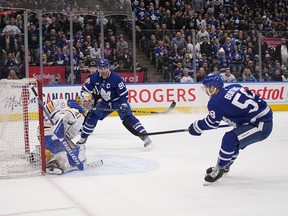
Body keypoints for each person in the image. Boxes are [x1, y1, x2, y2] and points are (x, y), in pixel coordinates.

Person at [188, 73, 273, 184]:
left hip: (261, 125)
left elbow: (212, 123)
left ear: (213, 88)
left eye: (207, 87)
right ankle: (226, 165)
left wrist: (197, 127)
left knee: (230, 139)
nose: (205, 90)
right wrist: (238, 119)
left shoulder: (215, 102)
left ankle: (219, 169)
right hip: (259, 118)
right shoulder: (234, 86)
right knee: (234, 141)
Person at [77, 59, 154, 149]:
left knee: (128, 118)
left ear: (108, 68)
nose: (103, 71)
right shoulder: (94, 77)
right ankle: (83, 138)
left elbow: (124, 94)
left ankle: (145, 137)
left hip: (118, 101)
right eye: (101, 69)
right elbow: (85, 89)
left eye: (105, 68)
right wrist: (85, 98)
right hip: (105, 102)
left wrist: (123, 104)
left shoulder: (116, 78)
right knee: (92, 116)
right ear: (98, 69)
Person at [41, 93, 94, 174]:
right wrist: (59, 128)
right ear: (80, 101)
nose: (88, 106)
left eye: (90, 103)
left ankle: (38, 154)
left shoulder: (67, 102)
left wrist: (44, 115)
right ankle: (52, 164)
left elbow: (52, 104)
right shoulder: (77, 113)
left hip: (42, 130)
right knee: (67, 154)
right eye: (86, 103)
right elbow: (63, 118)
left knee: (74, 149)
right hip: (50, 133)